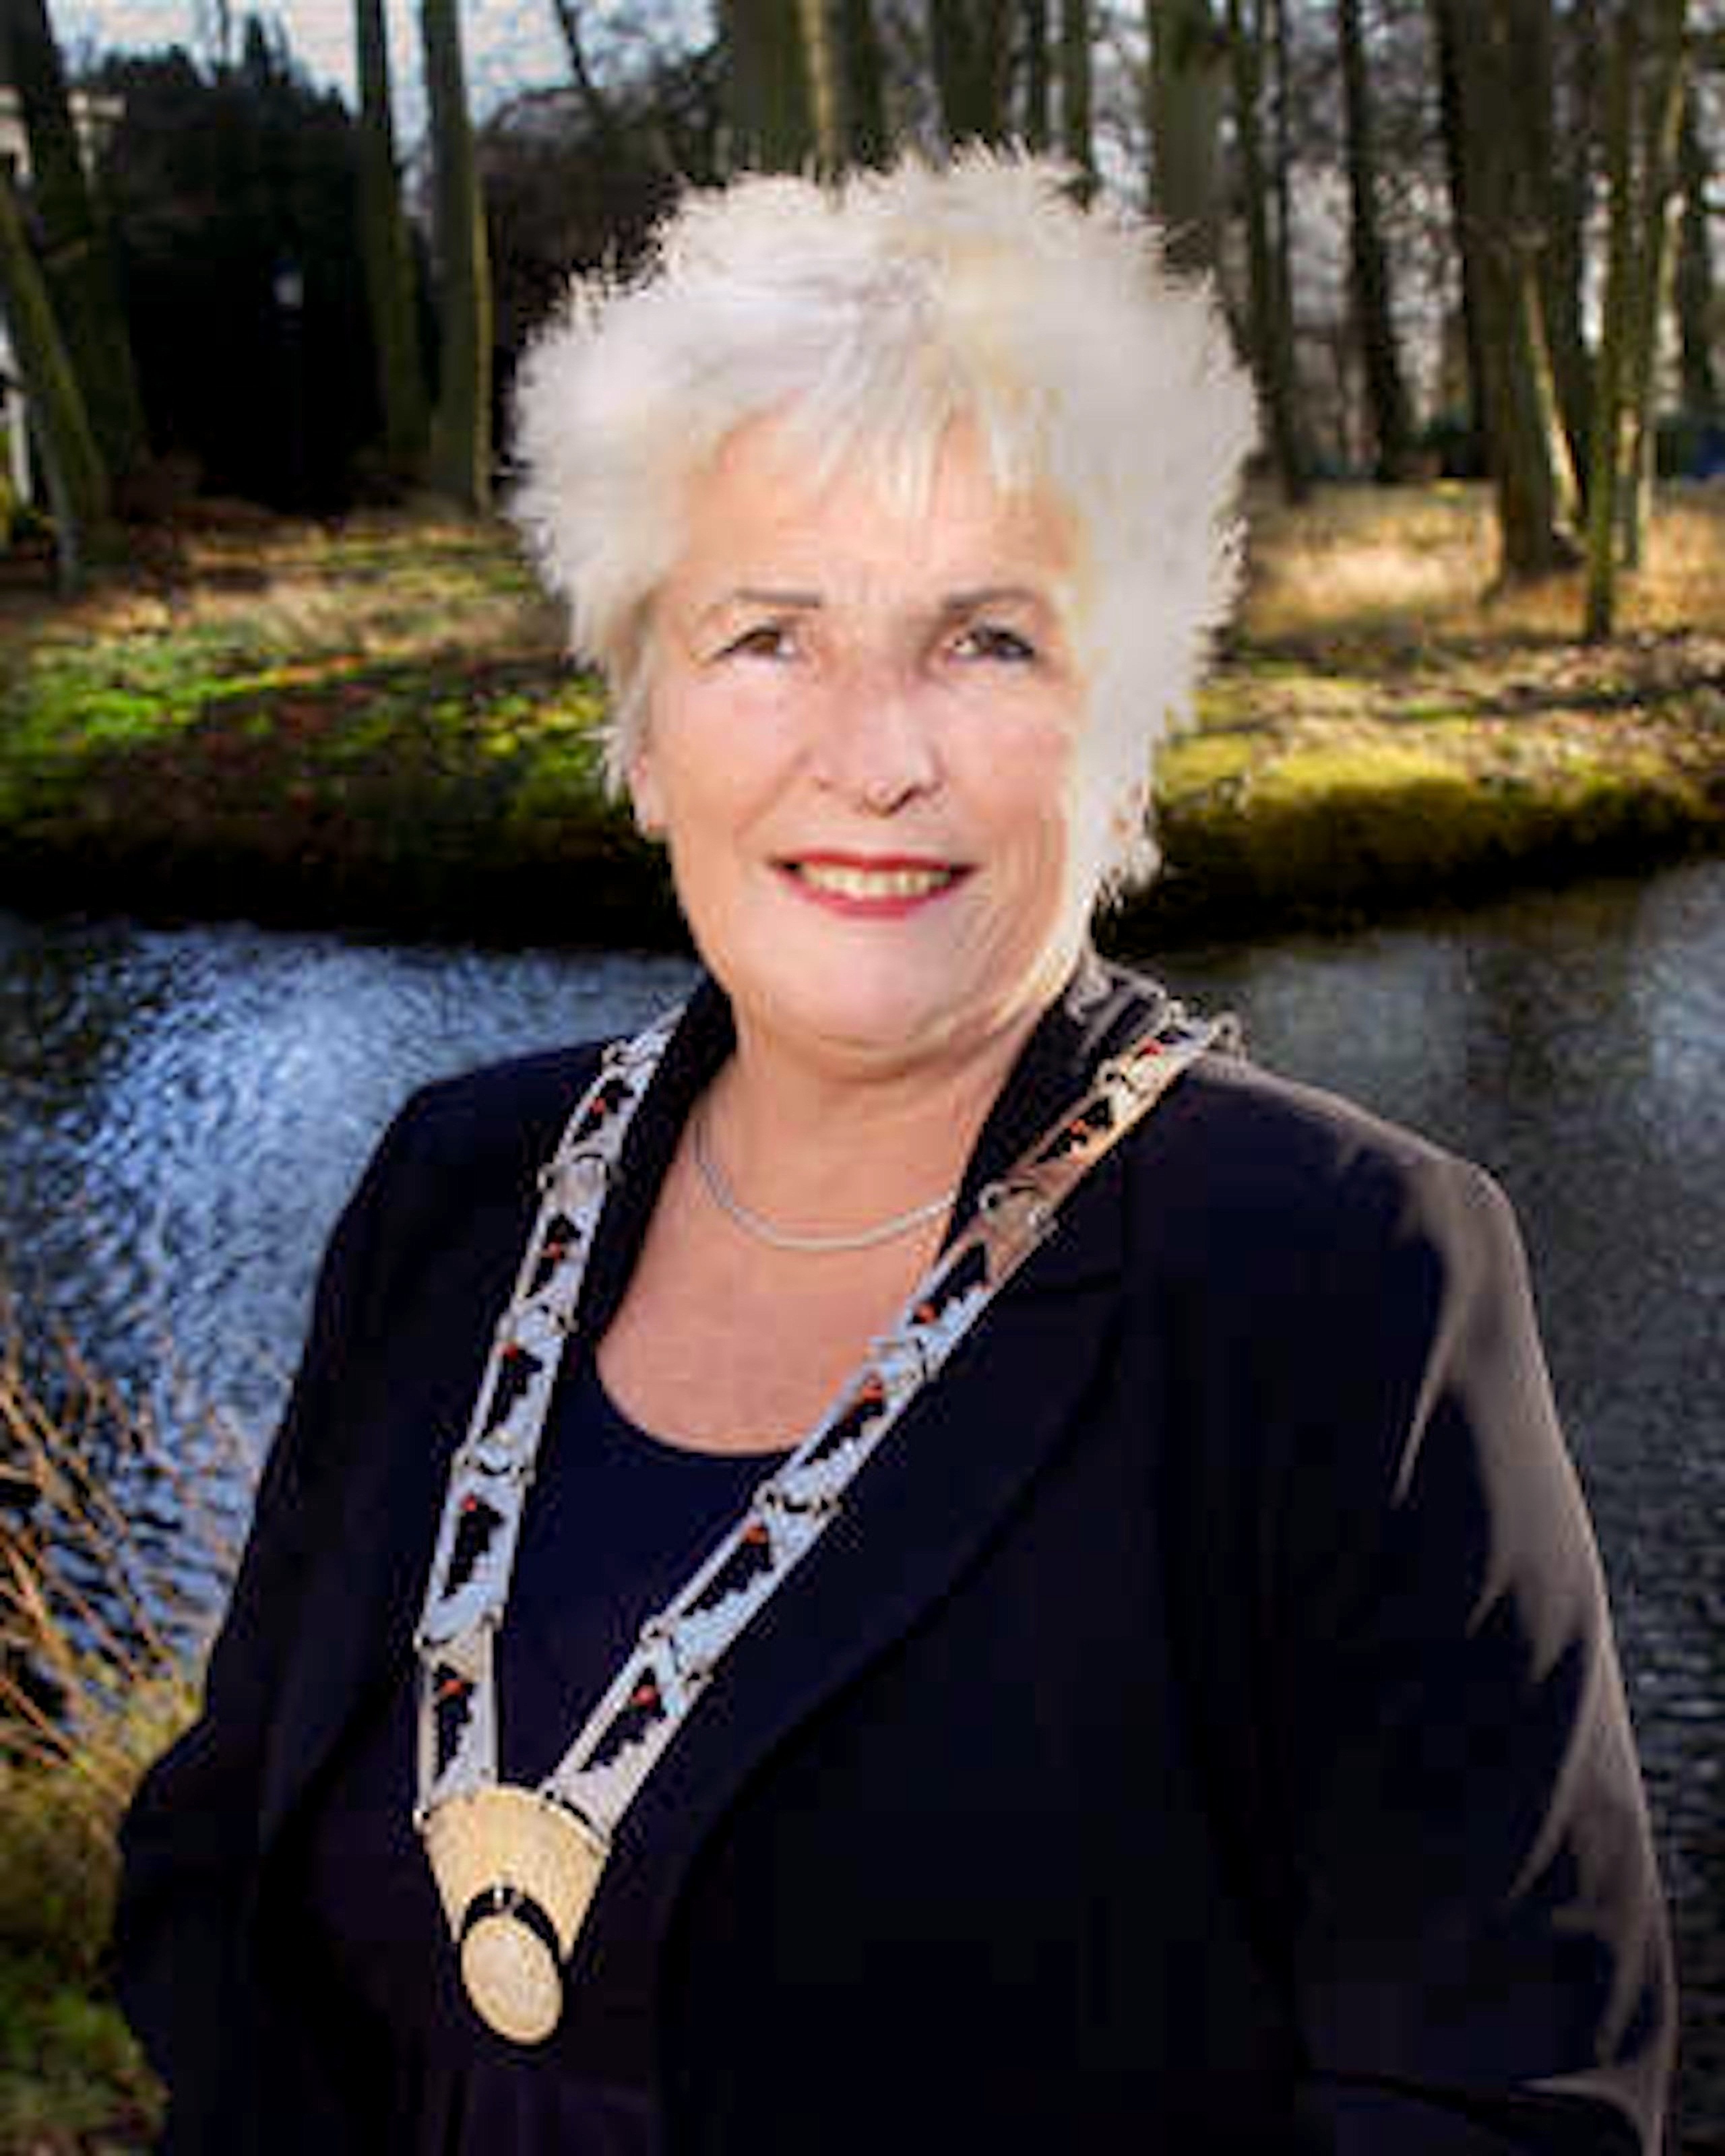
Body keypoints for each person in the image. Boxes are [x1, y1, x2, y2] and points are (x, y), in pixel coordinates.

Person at [116, 150, 1673, 2154]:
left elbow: (1499, 2107)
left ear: (1124, 735)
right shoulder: (456, 1187)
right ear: (644, 722)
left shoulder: (1341, 1280)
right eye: (769, 634)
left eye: (987, 641)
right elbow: (228, 1883)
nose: (873, 757)